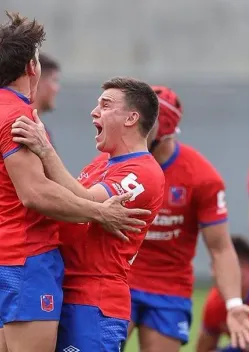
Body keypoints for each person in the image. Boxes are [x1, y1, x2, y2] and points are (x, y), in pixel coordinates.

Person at [0, 12, 149, 352]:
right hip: (26, 258)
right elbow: (35, 194)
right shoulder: (16, 115)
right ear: (31, 69)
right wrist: (98, 212)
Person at [12, 77, 165, 351]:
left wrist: (45, 150)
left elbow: (85, 205)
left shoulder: (144, 171)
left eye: (105, 105)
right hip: (63, 290)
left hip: (94, 299)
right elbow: (69, 201)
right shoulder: (101, 163)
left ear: (131, 118)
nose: (94, 112)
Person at [125, 86, 249, 352]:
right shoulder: (116, 163)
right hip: (120, 281)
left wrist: (233, 304)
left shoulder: (201, 177)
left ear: (161, 131)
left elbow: (220, 248)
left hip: (169, 289)